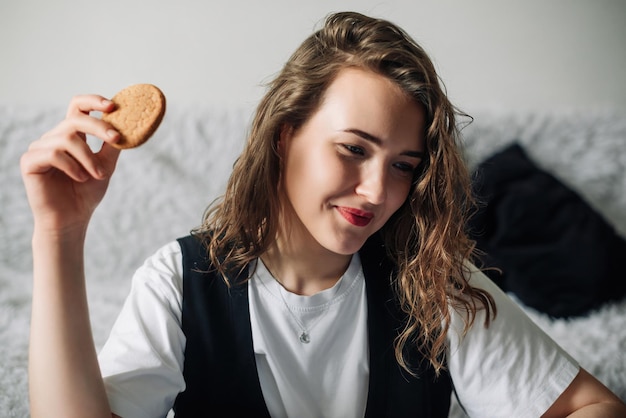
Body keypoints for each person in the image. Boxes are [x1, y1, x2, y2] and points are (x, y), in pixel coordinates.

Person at [21, 11, 626, 418]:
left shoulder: (436, 289)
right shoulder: (180, 282)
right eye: (354, 149)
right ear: (286, 136)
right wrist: (59, 232)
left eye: (403, 164)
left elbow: (590, 406)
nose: (374, 190)